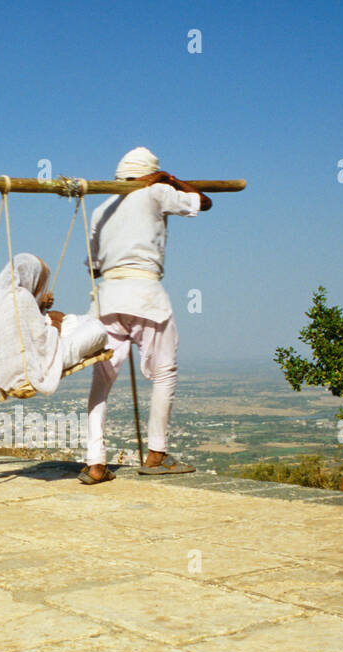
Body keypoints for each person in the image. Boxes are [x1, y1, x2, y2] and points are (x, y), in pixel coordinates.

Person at [80, 147, 211, 484]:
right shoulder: (157, 191)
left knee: (101, 382)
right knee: (165, 373)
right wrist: (173, 181)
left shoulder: (101, 209)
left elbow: (93, 268)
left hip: (108, 298)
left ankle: (95, 463)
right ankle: (157, 454)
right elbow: (204, 202)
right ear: (151, 173)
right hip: (147, 295)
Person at [0, 253, 107, 396]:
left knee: (72, 320)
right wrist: (56, 322)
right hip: (29, 366)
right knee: (97, 329)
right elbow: (43, 345)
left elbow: (18, 326)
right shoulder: (21, 297)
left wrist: (41, 306)